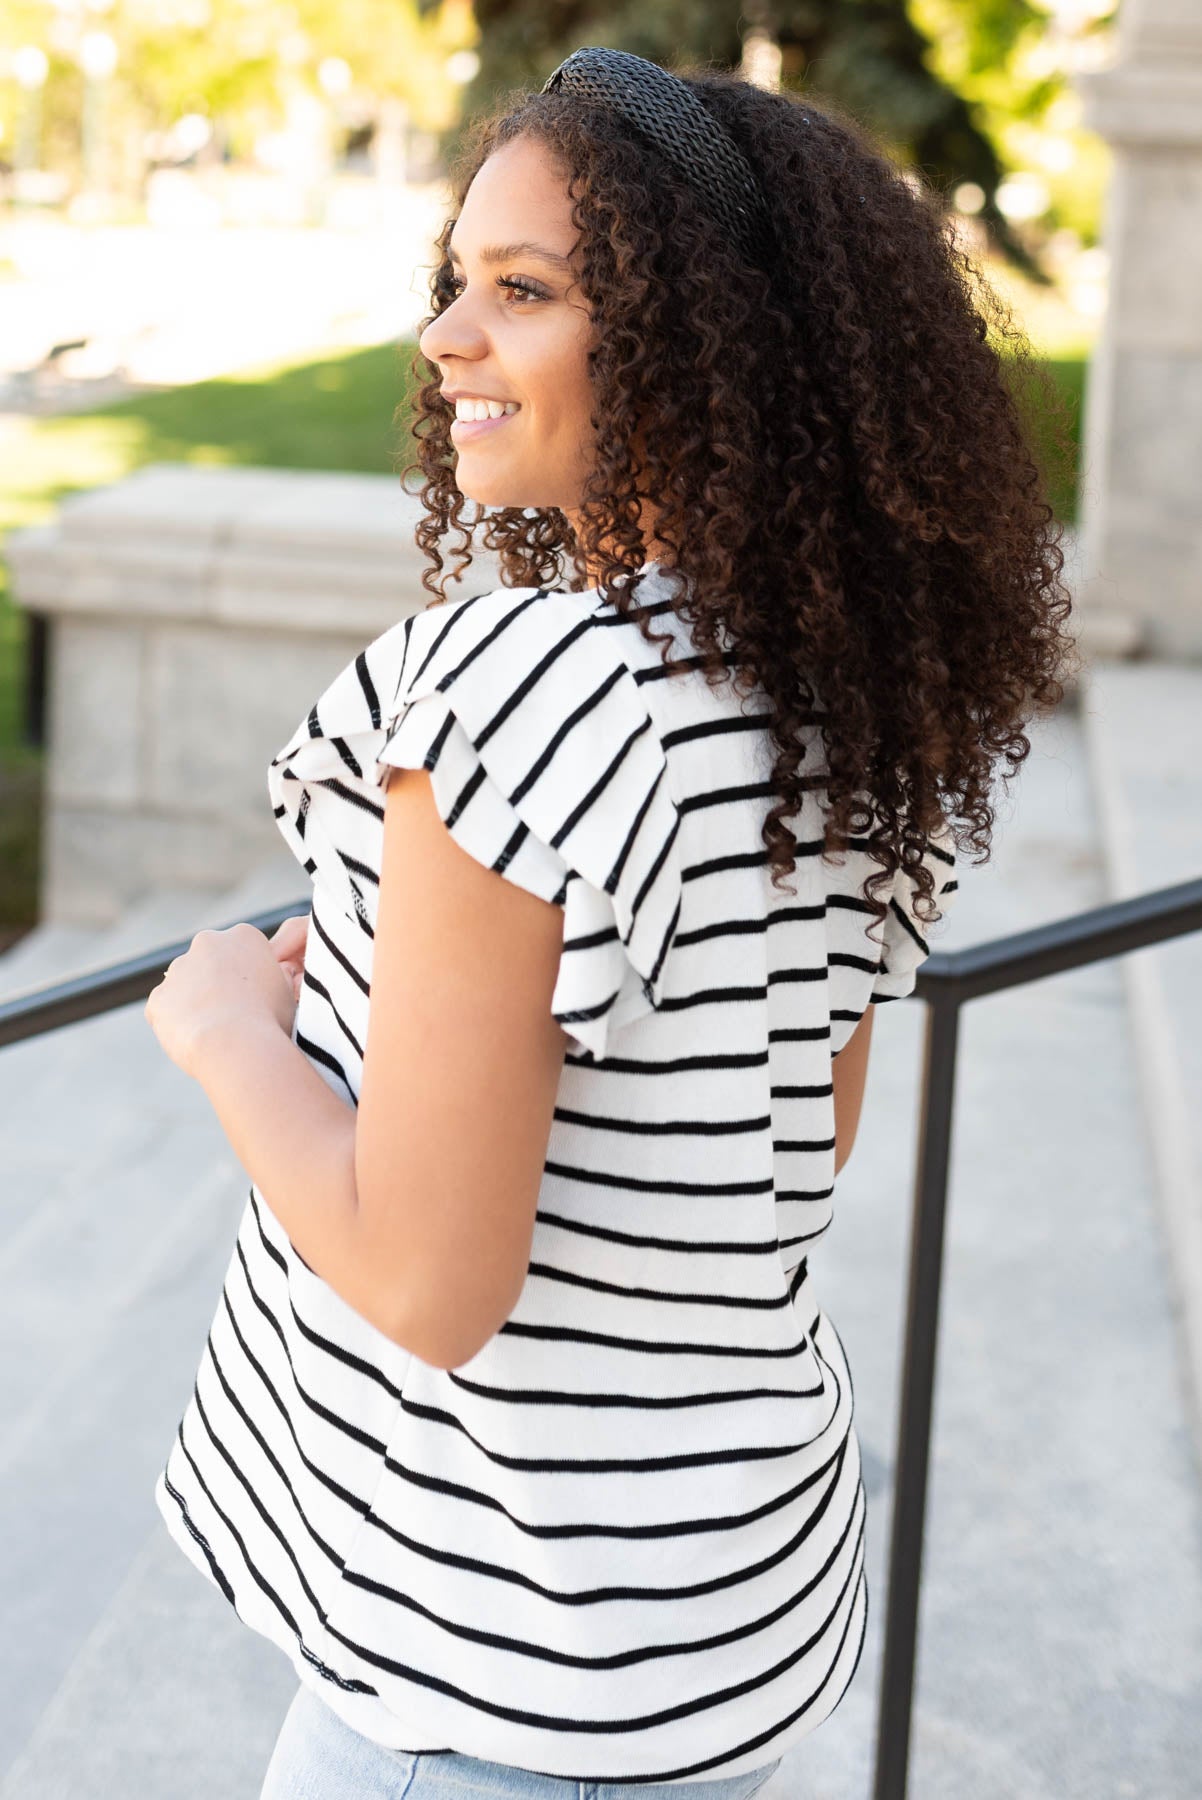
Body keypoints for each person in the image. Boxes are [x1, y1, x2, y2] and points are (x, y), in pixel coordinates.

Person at [144, 46, 1077, 1800]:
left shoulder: (517, 690)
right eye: (453, 284)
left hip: (494, 1677)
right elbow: (795, 1141)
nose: (446, 339)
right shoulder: (835, 697)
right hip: (731, 1640)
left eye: (525, 292)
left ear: (690, 338)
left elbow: (429, 1281)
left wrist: (222, 1031)